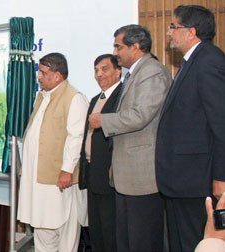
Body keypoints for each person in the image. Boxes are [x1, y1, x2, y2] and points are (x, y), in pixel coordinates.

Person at [88, 24, 171, 251]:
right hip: (127, 175)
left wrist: (103, 121)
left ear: (135, 47)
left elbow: (140, 116)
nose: (115, 52)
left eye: (118, 46)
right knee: (126, 240)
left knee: (142, 240)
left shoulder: (152, 71)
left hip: (143, 177)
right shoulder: (134, 73)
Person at [156, 5, 225, 251]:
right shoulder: (191, 61)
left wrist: (222, 176)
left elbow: (222, 124)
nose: (168, 33)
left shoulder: (210, 62)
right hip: (182, 179)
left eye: (173, 27)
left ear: (191, 32)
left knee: (195, 241)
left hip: (198, 180)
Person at [17, 52, 88, 252]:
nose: (38, 76)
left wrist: (67, 170)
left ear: (57, 75)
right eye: (39, 71)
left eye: (43, 72)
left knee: (64, 235)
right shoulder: (42, 97)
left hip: (59, 181)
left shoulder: (74, 98)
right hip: (38, 181)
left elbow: (76, 138)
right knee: (42, 229)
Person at [79, 54, 122, 252]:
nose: (99, 74)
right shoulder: (96, 99)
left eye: (104, 69)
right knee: (95, 230)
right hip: (92, 172)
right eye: (96, 70)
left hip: (110, 174)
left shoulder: (122, 96)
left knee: (110, 230)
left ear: (118, 71)